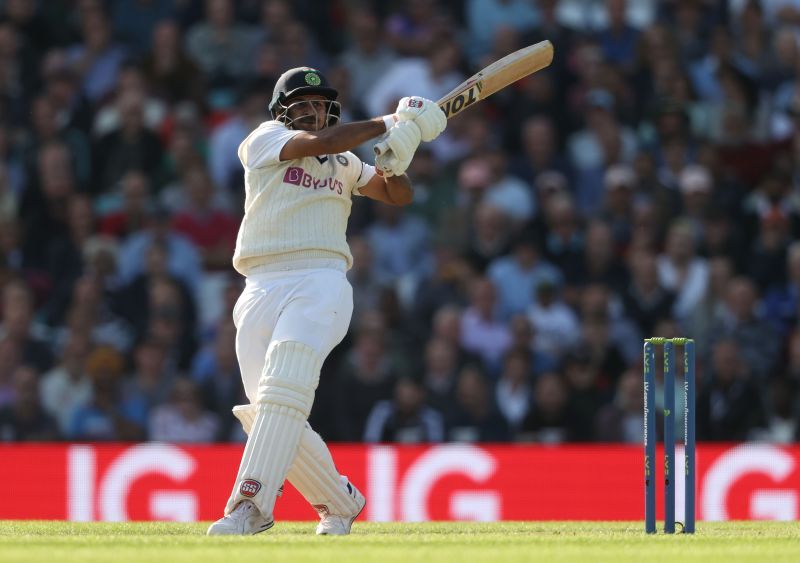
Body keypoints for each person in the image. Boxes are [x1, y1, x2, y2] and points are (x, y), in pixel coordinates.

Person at [207, 67, 446, 536]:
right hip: (259, 284)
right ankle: (340, 501)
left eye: (320, 104)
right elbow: (317, 145)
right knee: (270, 414)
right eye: (303, 103)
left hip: (321, 279)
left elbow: (397, 195)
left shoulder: (348, 163)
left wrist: (400, 156)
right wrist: (390, 122)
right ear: (282, 110)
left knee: (282, 390)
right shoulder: (263, 139)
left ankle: (249, 506)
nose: (313, 111)